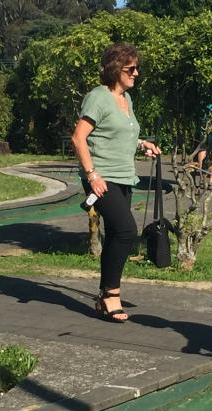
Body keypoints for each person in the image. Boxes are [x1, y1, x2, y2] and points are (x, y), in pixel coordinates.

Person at [71, 42, 160, 323]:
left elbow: (119, 135)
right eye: (130, 68)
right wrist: (92, 175)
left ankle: (103, 297)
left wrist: (142, 143)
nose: (136, 73)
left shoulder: (126, 100)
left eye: (137, 68)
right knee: (125, 231)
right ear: (114, 70)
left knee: (115, 235)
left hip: (124, 177)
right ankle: (111, 295)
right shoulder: (98, 97)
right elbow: (78, 138)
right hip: (102, 178)